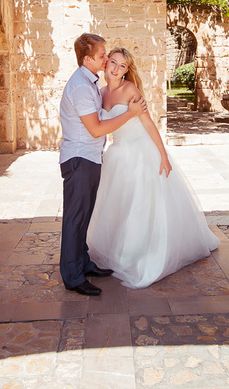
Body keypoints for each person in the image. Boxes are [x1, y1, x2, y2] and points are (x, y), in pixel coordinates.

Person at [87, 47, 219, 289]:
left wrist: (163, 155)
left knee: (140, 205)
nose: (115, 68)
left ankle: (138, 252)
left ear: (127, 71)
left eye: (122, 66)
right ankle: (117, 249)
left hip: (140, 151)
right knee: (118, 204)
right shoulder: (100, 91)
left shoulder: (130, 90)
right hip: (117, 154)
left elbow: (148, 124)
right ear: (105, 64)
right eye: (113, 62)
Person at [59, 33, 146, 296]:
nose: (106, 58)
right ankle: (73, 276)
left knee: (83, 216)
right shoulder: (82, 88)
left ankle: (83, 262)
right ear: (87, 59)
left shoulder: (90, 82)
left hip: (90, 158)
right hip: (80, 159)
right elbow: (96, 129)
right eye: (101, 56)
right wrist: (131, 114)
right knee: (75, 219)